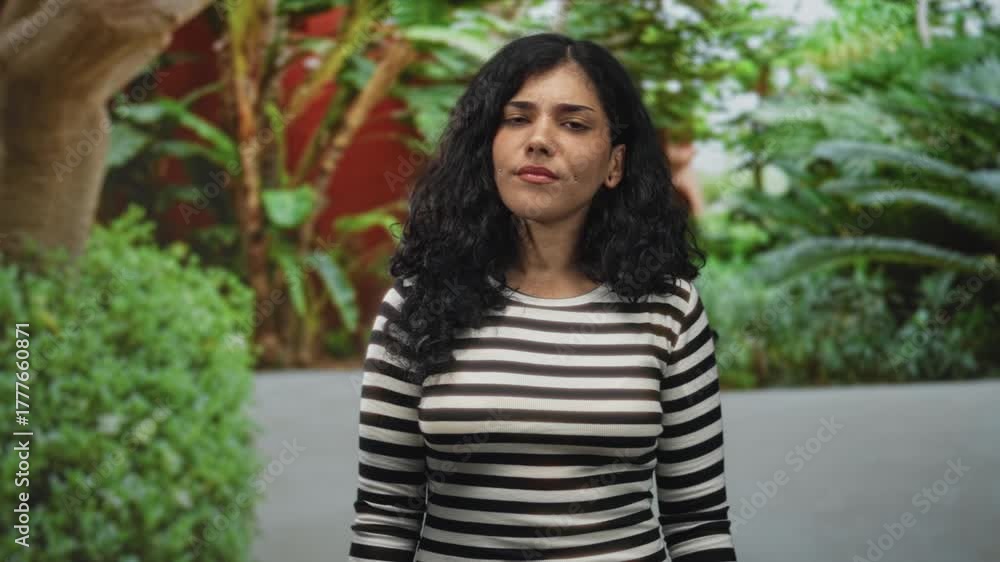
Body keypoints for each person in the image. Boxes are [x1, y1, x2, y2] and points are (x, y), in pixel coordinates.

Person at [348, 32, 738, 562]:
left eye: (574, 124)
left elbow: (698, 521)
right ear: (487, 145)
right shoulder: (417, 304)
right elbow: (384, 514)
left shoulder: (668, 309)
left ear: (615, 164)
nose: (539, 140)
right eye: (517, 118)